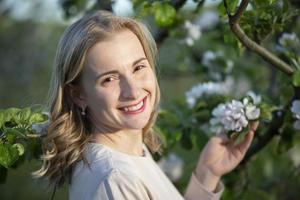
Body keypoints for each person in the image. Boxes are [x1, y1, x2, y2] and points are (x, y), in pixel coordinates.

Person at [34, 11, 259, 200]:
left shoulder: (130, 153)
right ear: (78, 94)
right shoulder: (116, 178)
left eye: (138, 67)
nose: (132, 91)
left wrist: (207, 174)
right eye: (109, 79)